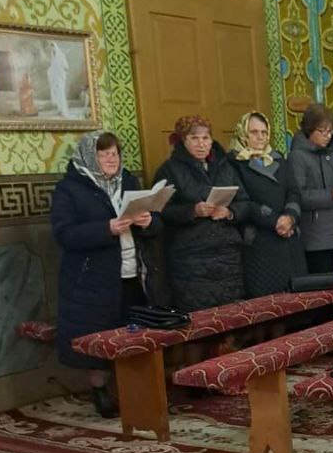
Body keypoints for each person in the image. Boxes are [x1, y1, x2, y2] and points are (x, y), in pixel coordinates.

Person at [50, 131, 160, 417]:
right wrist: (106, 229)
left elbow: (156, 227)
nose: (111, 159)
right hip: (93, 279)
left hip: (133, 273)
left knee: (135, 334)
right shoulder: (69, 189)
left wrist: (148, 222)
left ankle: (135, 390)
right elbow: (64, 234)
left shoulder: (130, 182)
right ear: (89, 157)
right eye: (103, 154)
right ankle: (100, 391)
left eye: (115, 153)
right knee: (99, 336)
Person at [155, 115, 250, 311]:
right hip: (191, 257)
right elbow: (161, 211)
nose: (201, 144)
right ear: (184, 141)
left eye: (205, 138)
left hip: (227, 255)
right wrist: (193, 211)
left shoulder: (225, 166)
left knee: (232, 315)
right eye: (194, 138)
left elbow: (245, 202)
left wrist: (229, 212)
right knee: (200, 317)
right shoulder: (169, 170)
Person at [228, 110, 307, 297]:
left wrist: (290, 217)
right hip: (259, 241)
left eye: (264, 132)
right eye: (254, 132)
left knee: (297, 299)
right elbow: (243, 201)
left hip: (288, 236)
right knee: (267, 303)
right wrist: (275, 221)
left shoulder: (278, 158)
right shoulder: (234, 163)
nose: (260, 137)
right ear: (243, 134)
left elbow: (294, 192)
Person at [288, 103, 333, 275]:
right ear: (309, 130)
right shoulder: (298, 156)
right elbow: (298, 196)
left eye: (330, 131)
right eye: (322, 131)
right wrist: (330, 195)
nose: (327, 136)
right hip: (316, 238)